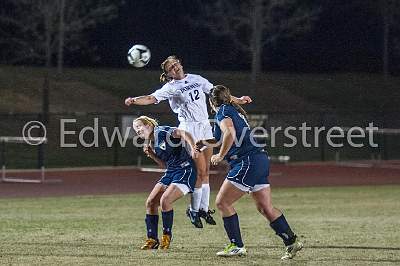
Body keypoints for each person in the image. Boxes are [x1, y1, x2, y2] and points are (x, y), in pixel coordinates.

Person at [125, 55, 252, 228]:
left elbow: (217, 92)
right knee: (199, 170)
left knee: (206, 170)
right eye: (171, 68)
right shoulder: (170, 87)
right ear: (168, 74)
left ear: (180, 64)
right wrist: (134, 100)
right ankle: (193, 210)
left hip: (205, 125)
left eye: (176, 64)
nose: (175, 68)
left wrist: (239, 100)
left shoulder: (196, 79)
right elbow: (151, 98)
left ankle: (204, 209)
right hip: (189, 128)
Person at [200, 85, 303, 259]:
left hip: (246, 161)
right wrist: (205, 142)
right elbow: (220, 138)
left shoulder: (223, 112)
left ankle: (236, 245)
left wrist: (220, 155)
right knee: (265, 208)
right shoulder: (231, 108)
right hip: (258, 160)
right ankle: (291, 242)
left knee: (222, 203)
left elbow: (230, 134)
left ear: (211, 102)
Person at [132, 115, 199, 250]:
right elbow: (165, 166)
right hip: (171, 172)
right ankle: (152, 239)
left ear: (148, 125)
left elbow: (182, 133)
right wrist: (152, 155)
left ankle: (166, 238)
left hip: (185, 169)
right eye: (135, 129)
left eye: (139, 126)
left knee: (165, 201)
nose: (137, 130)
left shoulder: (161, 131)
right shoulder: (151, 142)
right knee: (151, 202)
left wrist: (193, 148)